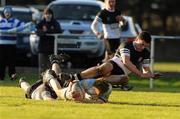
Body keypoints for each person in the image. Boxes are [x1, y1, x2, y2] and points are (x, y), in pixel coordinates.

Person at [67, 31, 162, 90]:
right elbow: (126, 62)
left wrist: (152, 75)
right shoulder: (126, 45)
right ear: (137, 39)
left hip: (121, 74)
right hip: (114, 64)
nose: (143, 47)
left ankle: (86, 84)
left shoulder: (146, 52)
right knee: (105, 68)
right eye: (142, 44)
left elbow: (146, 70)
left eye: (145, 46)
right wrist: (140, 74)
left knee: (125, 79)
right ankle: (75, 77)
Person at [19, 54, 112, 103]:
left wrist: (84, 100)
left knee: (57, 77)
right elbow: (55, 94)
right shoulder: (44, 92)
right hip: (49, 84)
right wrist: (73, 93)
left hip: (53, 84)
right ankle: (22, 81)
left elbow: (100, 102)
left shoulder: (107, 88)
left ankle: (54, 61)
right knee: (29, 89)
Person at [0, 6, 24, 81]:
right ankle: (1, 77)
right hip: (1, 45)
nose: (7, 14)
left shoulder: (14, 21)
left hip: (11, 45)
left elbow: (23, 25)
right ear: (4, 13)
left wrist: (16, 30)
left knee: (12, 62)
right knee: (1, 62)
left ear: (11, 13)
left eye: (9, 12)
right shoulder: (1, 21)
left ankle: (12, 77)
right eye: (6, 12)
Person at [36, 8, 62, 73]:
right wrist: (43, 32)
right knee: (42, 66)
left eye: (49, 14)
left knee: (51, 66)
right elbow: (37, 31)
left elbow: (59, 30)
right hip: (42, 48)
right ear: (44, 15)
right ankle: (41, 81)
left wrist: (47, 31)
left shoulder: (55, 22)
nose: (48, 15)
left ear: (52, 15)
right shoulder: (41, 23)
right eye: (46, 14)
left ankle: (51, 81)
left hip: (52, 48)